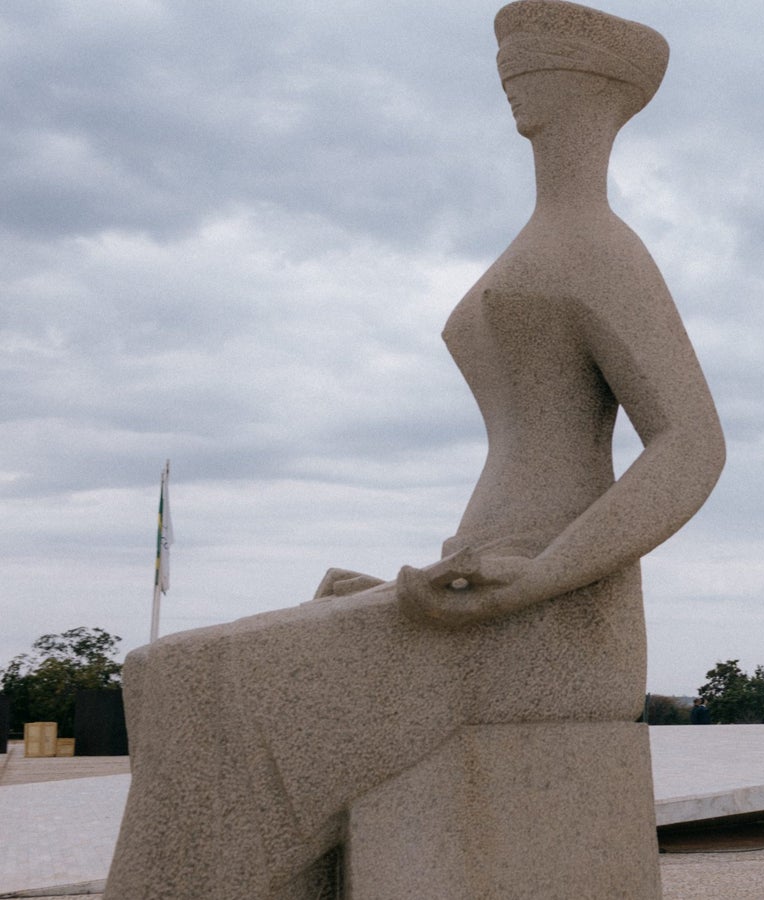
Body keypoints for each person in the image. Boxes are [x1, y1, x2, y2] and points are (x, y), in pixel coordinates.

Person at [105, 4, 723, 897]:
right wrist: (410, 590)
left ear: (596, 87)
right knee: (164, 674)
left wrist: (536, 581)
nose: (512, 77)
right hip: (481, 592)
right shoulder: (543, 242)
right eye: (510, 63)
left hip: (558, 624)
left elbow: (693, 446)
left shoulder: (602, 249)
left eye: (537, 62)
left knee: (196, 678)